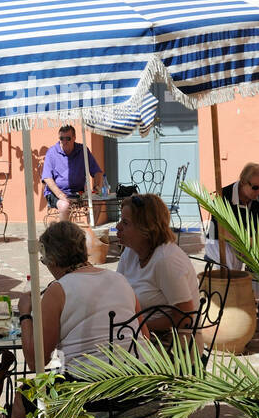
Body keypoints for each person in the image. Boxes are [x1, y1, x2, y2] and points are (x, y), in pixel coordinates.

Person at [18, 220, 139, 374]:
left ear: (52, 259)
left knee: (23, 394)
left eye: (44, 260)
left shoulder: (58, 290)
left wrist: (25, 314)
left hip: (87, 383)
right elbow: (144, 335)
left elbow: (36, 362)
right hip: (137, 375)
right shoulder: (120, 279)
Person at [116, 193, 200, 338]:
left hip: (174, 341)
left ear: (146, 229)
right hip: (140, 333)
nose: (117, 227)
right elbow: (118, 292)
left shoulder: (166, 260)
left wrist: (138, 327)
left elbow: (185, 317)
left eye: (125, 223)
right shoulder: (130, 252)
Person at [204, 162, 259, 287]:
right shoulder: (224, 195)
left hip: (246, 243)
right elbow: (223, 231)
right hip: (218, 241)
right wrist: (246, 245)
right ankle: (230, 296)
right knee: (230, 271)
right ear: (243, 182)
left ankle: (255, 298)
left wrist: (258, 244)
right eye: (255, 187)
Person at [41, 125, 103, 222]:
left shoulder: (83, 151)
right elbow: (47, 178)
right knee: (65, 206)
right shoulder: (52, 152)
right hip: (56, 193)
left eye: (68, 138)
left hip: (78, 193)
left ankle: (89, 230)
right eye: (62, 138)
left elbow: (97, 172)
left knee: (97, 202)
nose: (64, 141)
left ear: (74, 138)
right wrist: (61, 195)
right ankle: (66, 234)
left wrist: (97, 188)